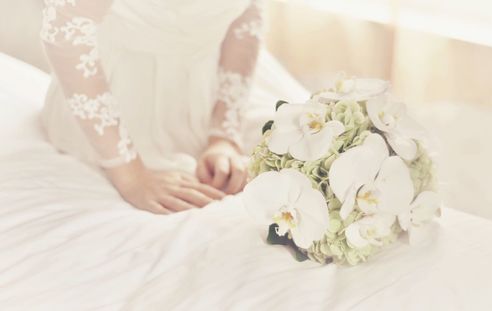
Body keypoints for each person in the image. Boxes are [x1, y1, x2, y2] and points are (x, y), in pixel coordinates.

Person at [40, 0, 308, 214]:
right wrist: (130, 174)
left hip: (208, 88)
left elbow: (245, 15)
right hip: (117, 106)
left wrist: (224, 133)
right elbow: (65, 31)